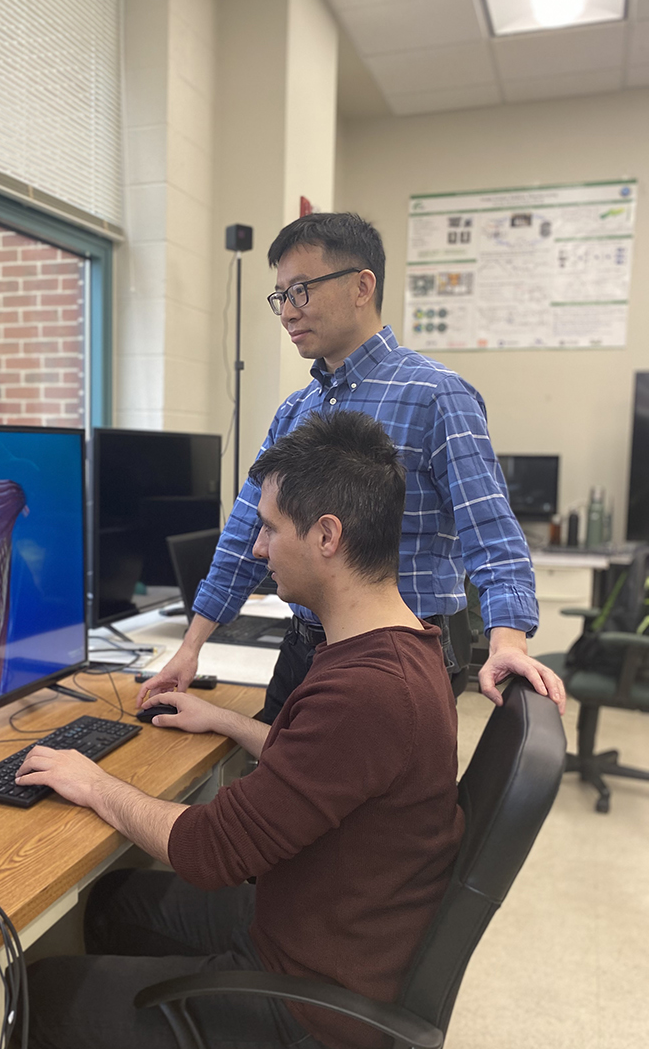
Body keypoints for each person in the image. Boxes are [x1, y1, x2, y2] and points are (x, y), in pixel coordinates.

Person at [17, 411, 466, 1049]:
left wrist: (91, 781)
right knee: (115, 904)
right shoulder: (399, 650)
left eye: (269, 528)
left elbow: (210, 849)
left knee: (43, 1002)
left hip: (316, 1021)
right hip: (326, 939)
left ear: (326, 535)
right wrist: (229, 724)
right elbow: (332, 770)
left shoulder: (365, 689)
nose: (257, 549)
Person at [138, 212, 566, 723]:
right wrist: (191, 648)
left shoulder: (435, 395)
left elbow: (491, 532)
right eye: (280, 297)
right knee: (272, 782)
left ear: (362, 287)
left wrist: (508, 640)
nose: (287, 313)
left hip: (403, 651)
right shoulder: (295, 411)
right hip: (306, 644)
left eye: (301, 291)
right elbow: (246, 534)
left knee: (358, 799)